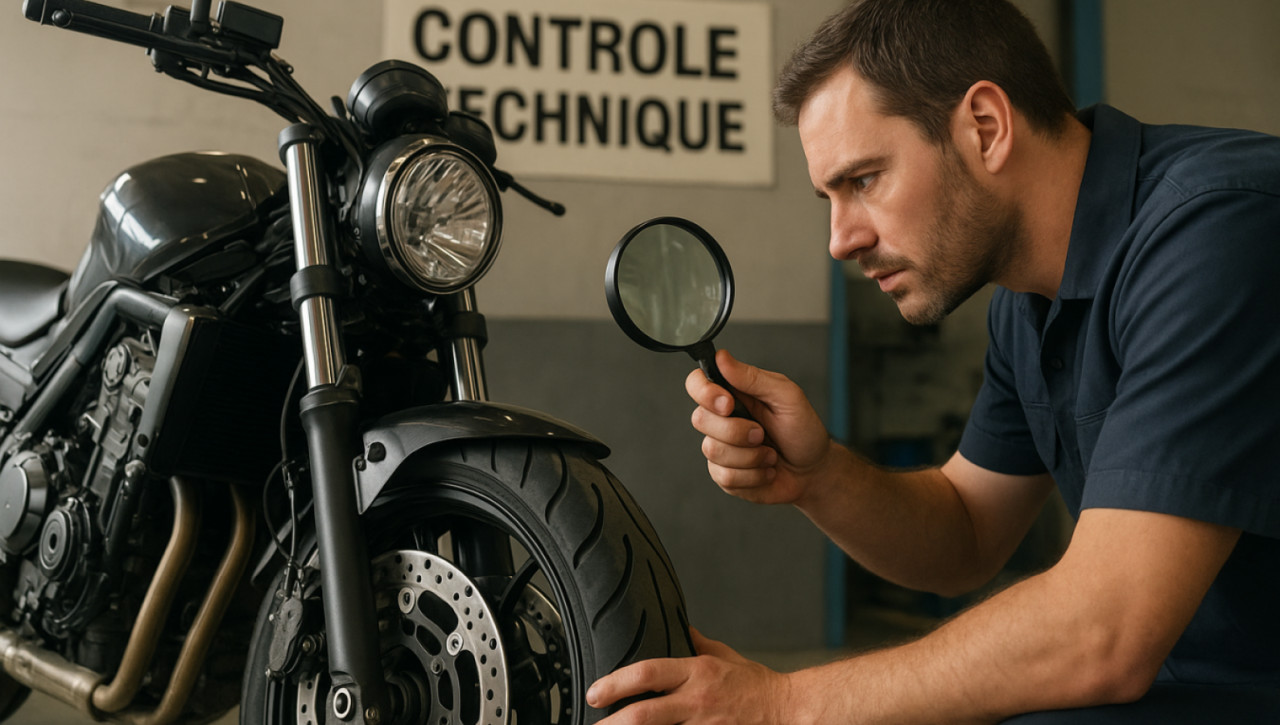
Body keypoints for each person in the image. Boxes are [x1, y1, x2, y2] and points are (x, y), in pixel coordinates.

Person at [587, 0, 1280, 722]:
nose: (840, 240)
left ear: (985, 126)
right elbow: (967, 533)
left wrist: (783, 702)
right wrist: (819, 476)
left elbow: (1103, 631)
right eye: (828, 196)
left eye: (863, 180)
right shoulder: (1027, 299)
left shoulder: (1220, 231)